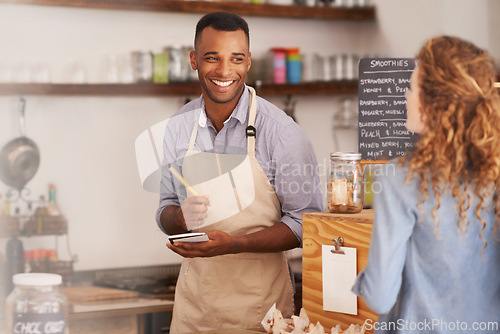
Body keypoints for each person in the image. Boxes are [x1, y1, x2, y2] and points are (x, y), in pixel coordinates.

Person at [156, 12, 323, 333]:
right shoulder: (179, 127)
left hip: (259, 313)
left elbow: (306, 224)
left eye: (236, 59)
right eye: (211, 58)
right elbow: (164, 210)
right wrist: (180, 218)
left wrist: (235, 244)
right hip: (193, 312)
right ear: (194, 60)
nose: (223, 71)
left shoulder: (282, 133)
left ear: (248, 63)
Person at [352, 35, 500, 333]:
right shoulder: (494, 170)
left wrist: (362, 280)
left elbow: (380, 297)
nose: (405, 96)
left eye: (412, 87)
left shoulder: (402, 178)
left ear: (433, 104)